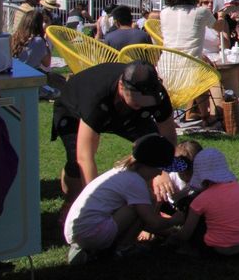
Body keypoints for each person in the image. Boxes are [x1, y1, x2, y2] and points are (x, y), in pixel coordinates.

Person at [51, 61, 176, 213]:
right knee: (75, 161)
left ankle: (151, 206)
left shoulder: (157, 94)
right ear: (121, 86)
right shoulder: (97, 97)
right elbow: (85, 157)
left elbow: (168, 137)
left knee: (151, 150)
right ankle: (72, 201)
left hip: (129, 116)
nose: (142, 105)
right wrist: (98, 203)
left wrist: (163, 170)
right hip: (73, 111)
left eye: (146, 102)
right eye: (137, 101)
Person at [63, 134, 186, 264]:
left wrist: (166, 231)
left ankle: (89, 250)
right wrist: (175, 220)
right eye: (160, 168)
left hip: (77, 232)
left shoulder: (122, 172)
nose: (160, 173)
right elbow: (153, 222)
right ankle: (123, 248)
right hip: (91, 234)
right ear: (148, 165)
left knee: (143, 201)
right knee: (139, 206)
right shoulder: (135, 182)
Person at [172, 148, 239, 257]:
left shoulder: (201, 200)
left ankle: (191, 250)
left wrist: (172, 238)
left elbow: (185, 234)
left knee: (194, 217)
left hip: (218, 250)